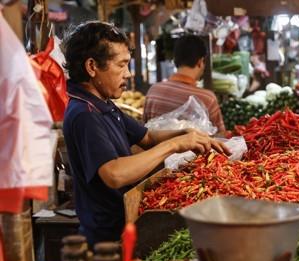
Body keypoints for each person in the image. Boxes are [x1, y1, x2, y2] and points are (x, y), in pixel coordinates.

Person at [62, 22, 229, 247]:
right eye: (121, 65)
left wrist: (186, 133)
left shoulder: (104, 104)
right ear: (92, 67)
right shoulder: (85, 114)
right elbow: (114, 174)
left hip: (126, 224)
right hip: (107, 239)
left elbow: (147, 137)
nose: (128, 74)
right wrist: (175, 145)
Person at [143, 35, 225, 132]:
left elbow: (144, 133)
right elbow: (220, 137)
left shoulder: (153, 91)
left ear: (175, 60)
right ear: (200, 62)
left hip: (156, 148)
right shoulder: (207, 98)